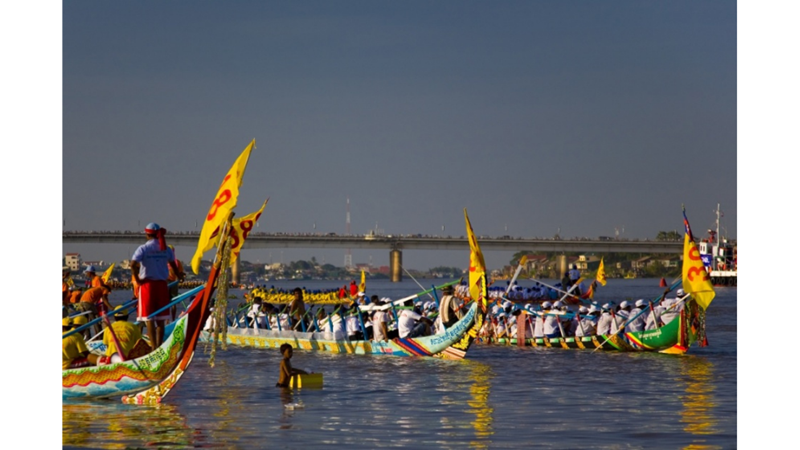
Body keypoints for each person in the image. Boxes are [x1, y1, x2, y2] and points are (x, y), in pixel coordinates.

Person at [130, 223, 184, 350]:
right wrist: (179, 276)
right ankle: (159, 347)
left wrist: (137, 279)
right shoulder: (166, 248)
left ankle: (153, 347)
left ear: (147, 234)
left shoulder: (143, 248)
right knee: (161, 318)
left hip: (147, 286)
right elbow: (174, 265)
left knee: (149, 318)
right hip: (162, 286)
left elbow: (132, 265)